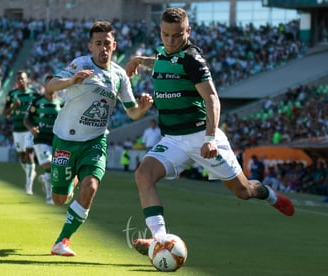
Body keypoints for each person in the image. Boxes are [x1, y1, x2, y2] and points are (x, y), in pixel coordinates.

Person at [125, 7, 295, 256]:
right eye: (165, 35)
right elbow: (161, 60)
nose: (170, 41)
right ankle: (160, 240)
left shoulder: (193, 60)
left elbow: (212, 99)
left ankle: (268, 194)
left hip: (202, 138)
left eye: (177, 35)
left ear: (188, 32)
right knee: (143, 175)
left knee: (243, 191)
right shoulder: (163, 53)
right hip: (173, 139)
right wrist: (140, 61)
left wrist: (210, 138)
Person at [45, 21, 153, 256]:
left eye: (107, 43)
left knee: (91, 186)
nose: (103, 48)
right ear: (90, 46)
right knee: (59, 199)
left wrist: (142, 109)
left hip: (95, 142)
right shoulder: (80, 64)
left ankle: (62, 241)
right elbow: (51, 85)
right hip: (65, 140)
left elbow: (132, 112)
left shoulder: (120, 76)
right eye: (98, 44)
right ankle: (71, 181)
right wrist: (73, 80)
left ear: (114, 45)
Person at [24, 74, 69, 204]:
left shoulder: (61, 102)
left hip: (56, 138)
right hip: (41, 138)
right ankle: (49, 196)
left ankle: (48, 189)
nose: (50, 87)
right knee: (48, 163)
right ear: (44, 86)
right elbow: (27, 119)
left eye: (53, 84)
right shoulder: (37, 102)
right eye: (48, 84)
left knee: (53, 167)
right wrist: (31, 127)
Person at [3, 71, 38, 195]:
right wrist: (13, 106)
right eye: (18, 80)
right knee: (22, 157)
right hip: (17, 130)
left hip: (29, 129)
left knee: (29, 155)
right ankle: (31, 172)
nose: (20, 81)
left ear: (27, 79)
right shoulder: (12, 94)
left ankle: (28, 187)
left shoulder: (34, 94)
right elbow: (5, 113)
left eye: (22, 79)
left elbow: (39, 110)